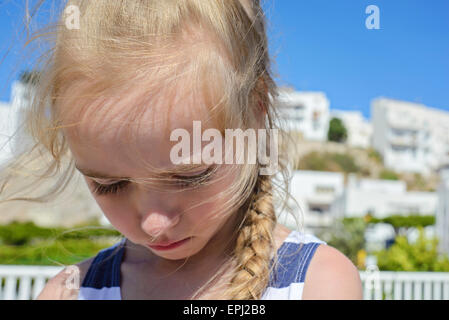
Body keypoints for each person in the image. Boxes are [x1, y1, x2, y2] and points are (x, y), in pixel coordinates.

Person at [2, 0, 362, 300]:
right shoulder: (72, 292)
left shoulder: (316, 283)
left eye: (189, 176)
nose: (154, 225)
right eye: (110, 185)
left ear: (256, 112)